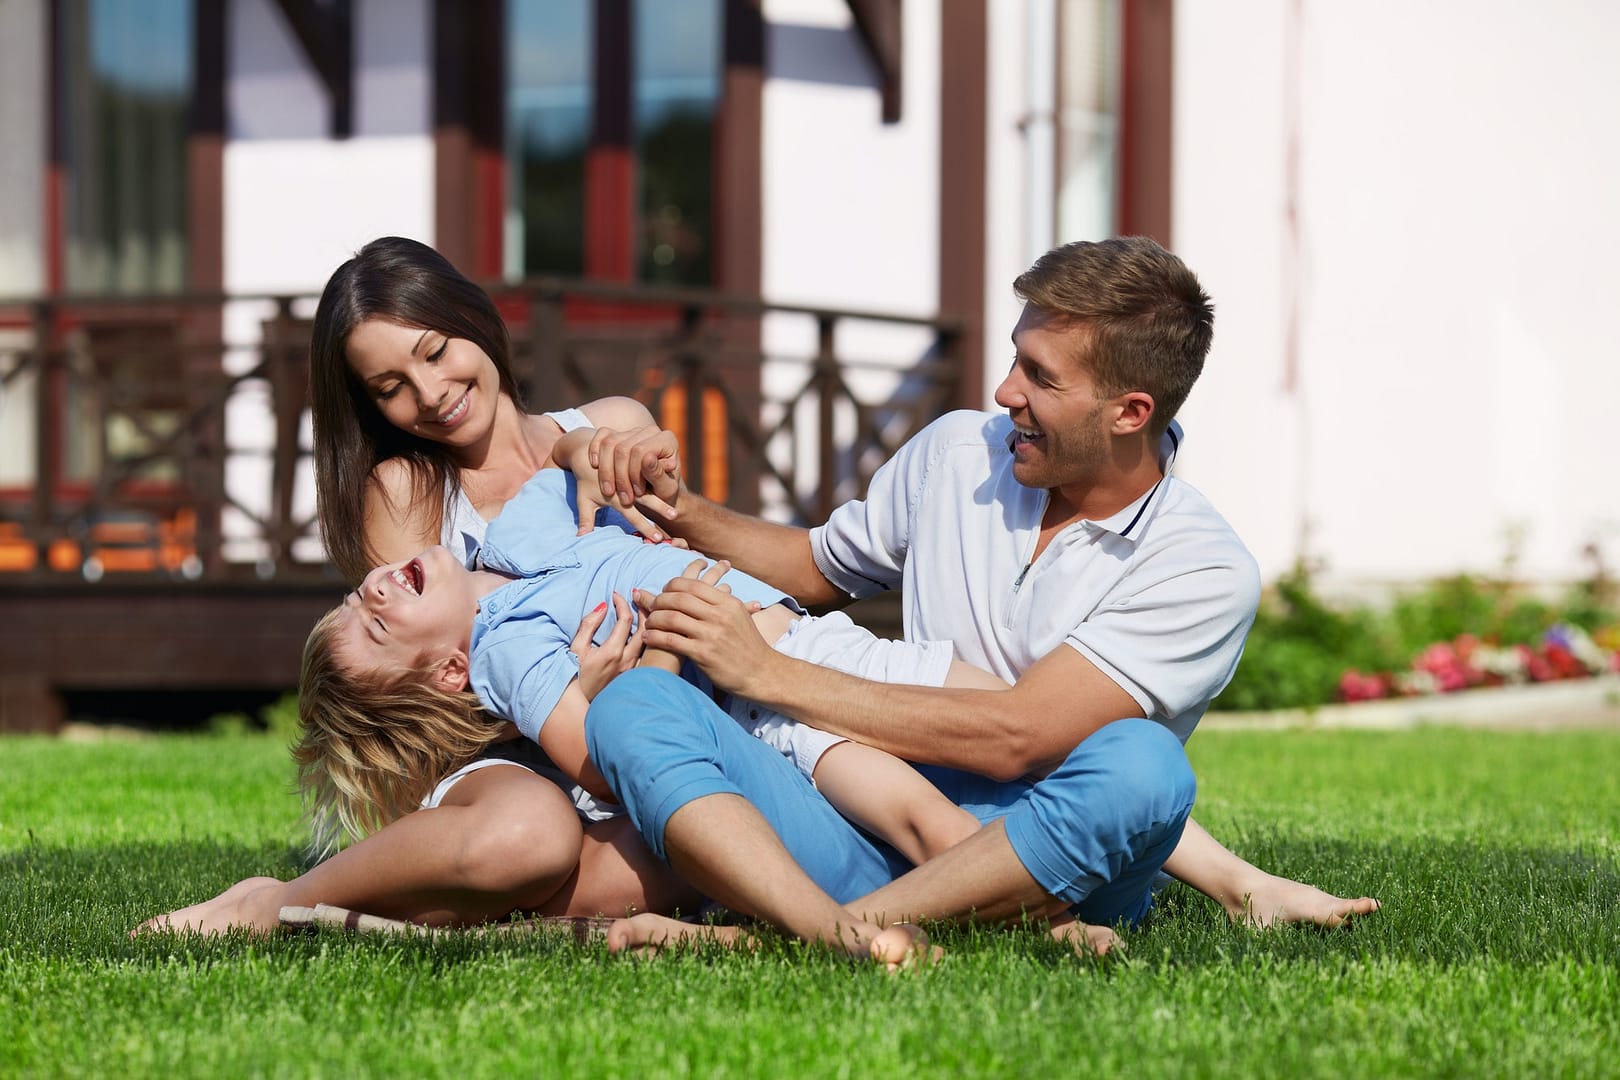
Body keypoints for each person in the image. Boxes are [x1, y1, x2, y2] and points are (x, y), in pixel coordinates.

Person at [578, 237, 1380, 955]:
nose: (1004, 392)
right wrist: (682, 510)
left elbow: (1016, 738)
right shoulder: (960, 451)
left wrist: (769, 673)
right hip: (864, 812)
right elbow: (816, 566)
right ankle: (859, 929)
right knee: (632, 706)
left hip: (1052, 861)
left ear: (1131, 412)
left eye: (1039, 375)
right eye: (1013, 358)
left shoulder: (1201, 567)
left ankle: (821, 933)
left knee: (1145, 766)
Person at [140, 237, 694, 934]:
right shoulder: (406, 492)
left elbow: (683, 570)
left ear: (474, 317)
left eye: (434, 352)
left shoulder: (616, 425)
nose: (430, 395)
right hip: (504, 761)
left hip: (643, 722)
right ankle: (275, 902)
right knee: (531, 837)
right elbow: (434, 700)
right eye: (390, 388)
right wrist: (571, 692)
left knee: (681, 844)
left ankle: (486, 901)